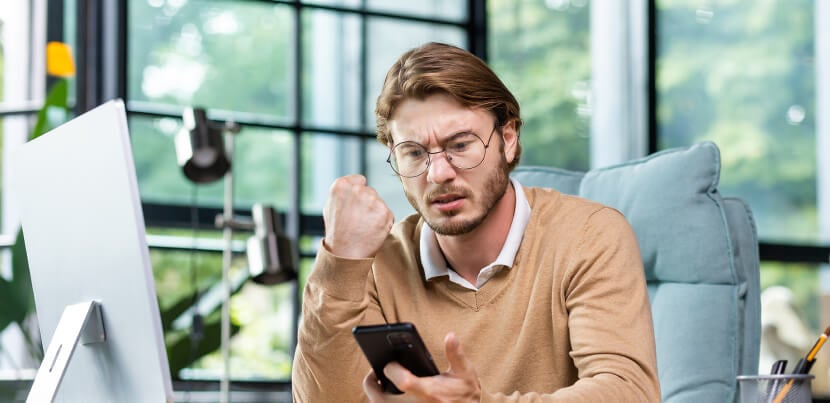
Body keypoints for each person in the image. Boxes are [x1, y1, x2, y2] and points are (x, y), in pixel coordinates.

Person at [291, 42, 660, 402]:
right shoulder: (373, 263)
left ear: (508, 139)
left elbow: (629, 393)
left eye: (460, 145)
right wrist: (339, 261)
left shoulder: (590, 236)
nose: (438, 173)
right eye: (414, 152)